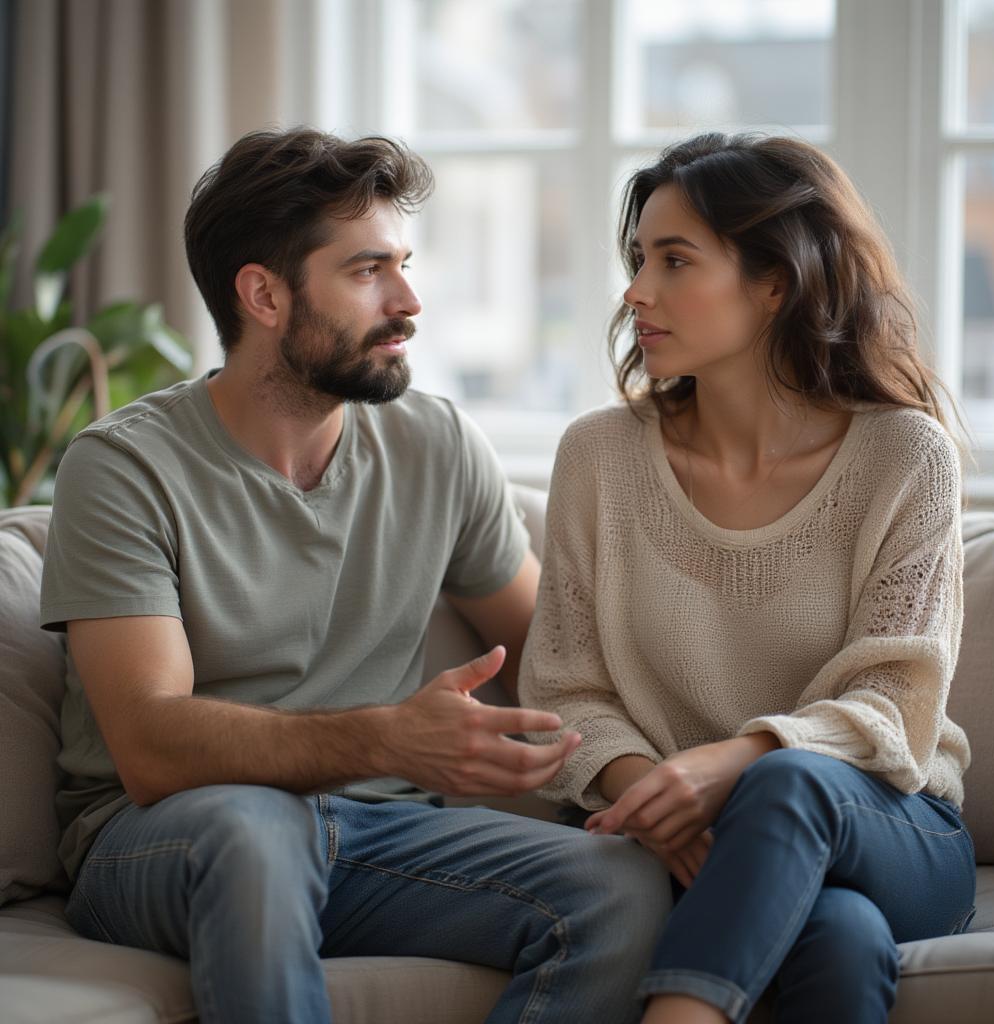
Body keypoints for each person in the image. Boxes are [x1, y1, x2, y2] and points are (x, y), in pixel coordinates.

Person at [39, 127, 672, 1024]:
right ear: (262, 293)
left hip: (376, 835)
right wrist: (384, 739)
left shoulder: (436, 444)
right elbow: (149, 747)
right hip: (172, 838)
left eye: (403, 264)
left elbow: (559, 656)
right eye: (368, 270)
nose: (409, 301)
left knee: (621, 887)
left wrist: (669, 781)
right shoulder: (123, 467)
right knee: (256, 832)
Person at [519, 132, 976, 1024]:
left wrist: (733, 766)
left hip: (889, 829)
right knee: (841, 942)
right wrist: (661, 801)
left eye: (675, 260)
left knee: (786, 780)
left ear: (777, 282)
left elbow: (894, 698)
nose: (636, 291)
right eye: (639, 258)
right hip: (673, 844)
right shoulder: (599, 458)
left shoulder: (903, 456)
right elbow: (566, 687)